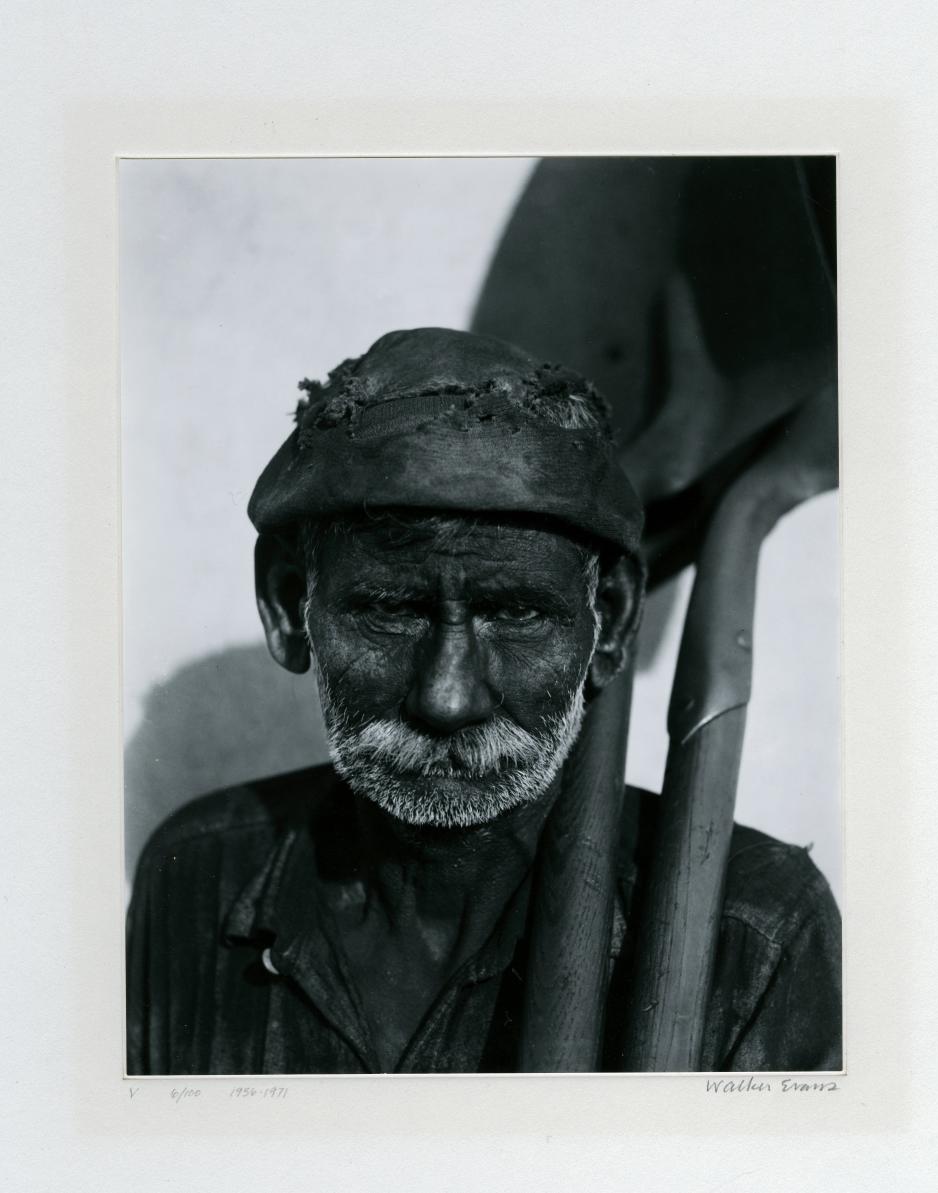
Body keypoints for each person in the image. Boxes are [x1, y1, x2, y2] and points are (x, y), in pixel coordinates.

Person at [126, 327, 841, 1075]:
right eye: (391, 610)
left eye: (517, 613)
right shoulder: (195, 880)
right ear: (286, 605)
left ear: (613, 620)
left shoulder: (755, 934)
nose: (447, 697)